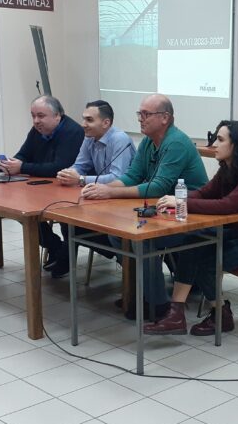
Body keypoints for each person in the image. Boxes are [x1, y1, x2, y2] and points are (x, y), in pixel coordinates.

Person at [144, 121, 238, 336]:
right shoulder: (229, 168)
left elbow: (228, 206)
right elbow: (204, 193)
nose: (214, 145)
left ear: (237, 145)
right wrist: (176, 199)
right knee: (193, 242)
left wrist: (181, 203)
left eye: (220, 140)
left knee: (208, 261)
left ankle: (221, 314)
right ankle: (176, 313)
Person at [82, 94, 208, 319]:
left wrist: (110, 192)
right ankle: (139, 293)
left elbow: (159, 187)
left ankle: (157, 305)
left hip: (190, 214)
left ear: (165, 118)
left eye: (146, 114)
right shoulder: (149, 141)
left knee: (143, 240)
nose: (140, 118)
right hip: (163, 211)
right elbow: (132, 176)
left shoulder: (176, 142)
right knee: (117, 235)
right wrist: (103, 190)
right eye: (139, 113)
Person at [50, 100, 136, 276]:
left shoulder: (119, 139)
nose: (83, 124)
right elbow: (80, 165)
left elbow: (118, 178)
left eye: (89, 120)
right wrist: (68, 173)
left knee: (74, 223)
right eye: (83, 119)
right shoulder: (89, 138)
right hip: (103, 198)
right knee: (68, 219)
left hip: (124, 201)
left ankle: (118, 254)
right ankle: (68, 258)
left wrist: (80, 179)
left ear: (106, 123)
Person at [1, 95, 84, 277]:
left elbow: (60, 167)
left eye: (41, 116)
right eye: (33, 116)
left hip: (67, 189)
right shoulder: (37, 131)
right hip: (43, 187)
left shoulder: (73, 132)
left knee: (65, 216)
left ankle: (65, 257)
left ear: (57, 116)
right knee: (23, 212)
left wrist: (22, 167)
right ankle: (55, 247)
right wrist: (10, 164)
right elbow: (24, 154)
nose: (36, 121)